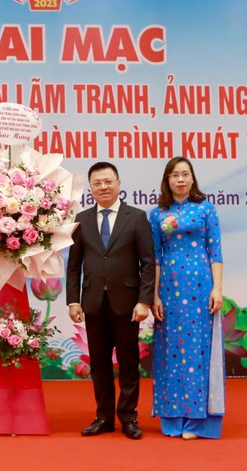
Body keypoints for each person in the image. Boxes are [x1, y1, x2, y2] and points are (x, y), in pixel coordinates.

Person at [66, 162, 156, 440]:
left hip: (127, 304)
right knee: (99, 364)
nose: (103, 187)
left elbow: (148, 263)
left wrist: (144, 301)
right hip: (93, 303)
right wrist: (73, 301)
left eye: (108, 181)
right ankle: (103, 416)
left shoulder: (137, 217)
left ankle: (128, 417)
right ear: (90, 188)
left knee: (128, 363)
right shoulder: (81, 219)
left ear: (118, 183)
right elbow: (74, 265)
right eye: (97, 183)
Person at [149, 156, 225, 439]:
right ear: (167, 180)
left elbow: (215, 252)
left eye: (185, 174)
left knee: (198, 351)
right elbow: (156, 257)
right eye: (174, 175)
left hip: (200, 287)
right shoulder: (157, 214)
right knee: (171, 352)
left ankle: (198, 421)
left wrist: (217, 288)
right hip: (169, 289)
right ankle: (173, 418)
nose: (180, 179)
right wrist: (154, 294)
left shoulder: (206, 210)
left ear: (192, 179)